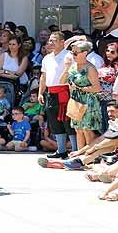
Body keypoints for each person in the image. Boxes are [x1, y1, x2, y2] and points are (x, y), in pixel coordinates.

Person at [38, 31, 76, 159]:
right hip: (51, 92)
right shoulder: (47, 58)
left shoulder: (69, 56)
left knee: (68, 121)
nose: (50, 43)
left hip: (65, 91)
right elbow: (43, 76)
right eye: (50, 40)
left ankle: (75, 150)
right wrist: (40, 92)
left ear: (62, 42)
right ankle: (61, 149)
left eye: (54, 40)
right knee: (54, 121)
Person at [60, 38, 103, 151]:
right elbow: (61, 81)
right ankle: (79, 155)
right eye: (72, 52)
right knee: (78, 129)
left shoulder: (90, 68)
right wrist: (66, 68)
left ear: (85, 53)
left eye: (75, 53)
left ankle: (90, 156)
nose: (73, 55)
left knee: (87, 130)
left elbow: (97, 88)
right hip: (76, 101)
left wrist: (79, 88)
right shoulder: (73, 66)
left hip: (88, 102)